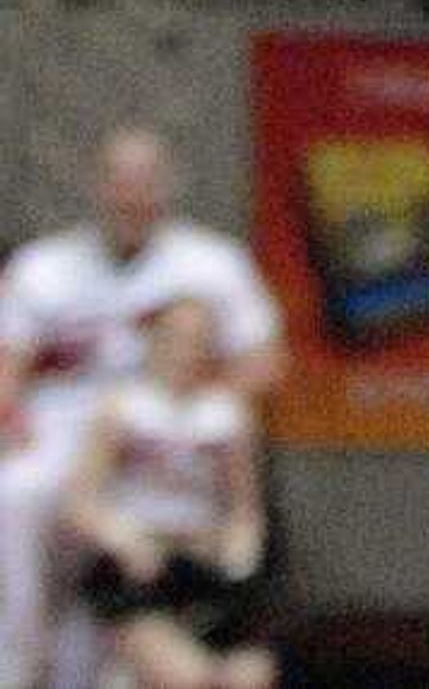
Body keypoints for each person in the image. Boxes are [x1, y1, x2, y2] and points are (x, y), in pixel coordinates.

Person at [0, 129, 283, 689]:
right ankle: (19, 660)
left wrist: (193, 400)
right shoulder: (45, 266)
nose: (132, 196)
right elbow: (8, 369)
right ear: (95, 185)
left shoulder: (212, 263)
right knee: (17, 492)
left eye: (146, 181)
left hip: (174, 429)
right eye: (119, 181)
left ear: (172, 185)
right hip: (70, 429)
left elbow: (265, 364)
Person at [59, 298, 272, 689]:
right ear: (153, 341)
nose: (186, 352)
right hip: (140, 569)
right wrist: (123, 539)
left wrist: (239, 561)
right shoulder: (122, 408)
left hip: (203, 566)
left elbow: (247, 510)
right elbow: (79, 501)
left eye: (199, 341)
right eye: (175, 339)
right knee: (187, 677)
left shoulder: (228, 415)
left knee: (249, 676)